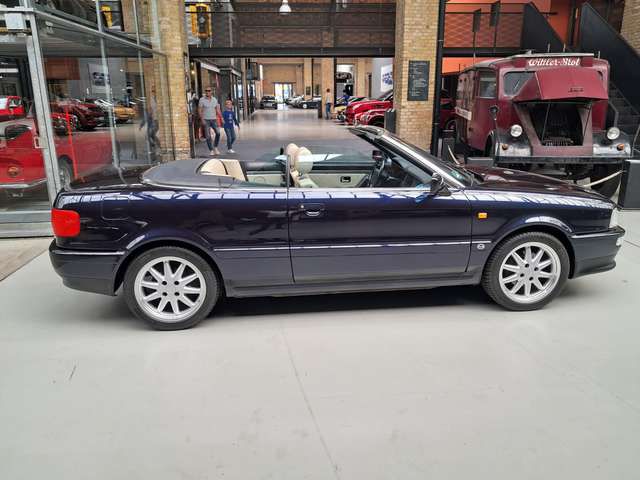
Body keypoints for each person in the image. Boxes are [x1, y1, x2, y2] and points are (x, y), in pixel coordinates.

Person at [198, 87, 221, 155]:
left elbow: (217, 109)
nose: (207, 92)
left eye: (209, 91)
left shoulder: (214, 99)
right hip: (206, 120)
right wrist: (202, 119)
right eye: (206, 91)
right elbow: (199, 110)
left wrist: (221, 117)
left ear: (211, 92)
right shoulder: (202, 100)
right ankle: (211, 150)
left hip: (214, 119)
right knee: (208, 136)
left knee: (218, 133)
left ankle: (215, 147)